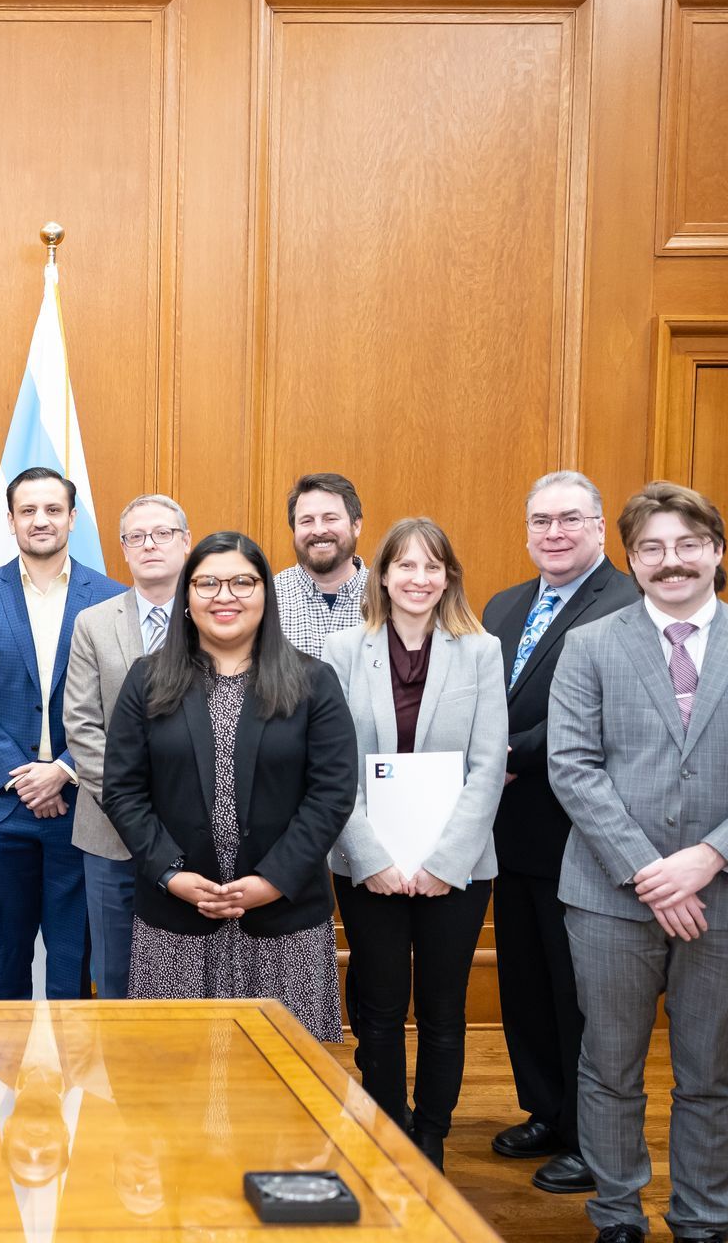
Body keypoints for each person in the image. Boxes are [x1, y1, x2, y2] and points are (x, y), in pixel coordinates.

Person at [550, 482, 728, 1243]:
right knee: (609, 1068)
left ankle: (704, 1220)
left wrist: (706, 860)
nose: (670, 562)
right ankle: (617, 1214)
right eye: (651, 548)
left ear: (716, 550)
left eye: (687, 544)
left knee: (711, 1076)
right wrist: (650, 871)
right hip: (610, 898)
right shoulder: (591, 645)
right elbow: (573, 768)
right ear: (631, 560)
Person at [101, 532, 357, 1038]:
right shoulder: (147, 679)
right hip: (175, 919)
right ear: (187, 597)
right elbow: (123, 791)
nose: (225, 596)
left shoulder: (313, 681)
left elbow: (331, 793)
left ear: (266, 592)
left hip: (283, 920)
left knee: (281, 1090)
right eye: (208, 583)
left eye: (242, 581)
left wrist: (271, 881)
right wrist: (171, 875)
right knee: (177, 1080)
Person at [322, 517, 506, 1171]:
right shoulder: (344, 650)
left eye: (433, 567)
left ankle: (430, 1133)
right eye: (406, 566)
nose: (419, 579)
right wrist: (372, 857)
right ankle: (384, 1127)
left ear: (449, 577)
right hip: (366, 860)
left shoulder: (482, 651)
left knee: (441, 1007)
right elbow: (333, 765)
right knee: (378, 1004)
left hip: (455, 867)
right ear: (383, 575)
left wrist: (441, 864)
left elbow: (488, 767)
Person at [481, 471, 639, 1193]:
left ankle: (588, 1135)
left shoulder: (628, 604)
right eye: (541, 520)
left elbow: (608, 713)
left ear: (600, 526)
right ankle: (545, 1110)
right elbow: (478, 697)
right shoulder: (505, 604)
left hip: (582, 834)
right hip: (505, 833)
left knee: (583, 996)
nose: (554, 533)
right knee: (526, 984)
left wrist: (510, 754)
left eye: (570, 519)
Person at [0, 466, 125, 1000]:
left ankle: (70, 1082)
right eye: (28, 511)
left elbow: (119, 703)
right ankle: (7, 1081)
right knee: (7, 953)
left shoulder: (112, 598)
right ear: (10, 521)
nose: (40, 520)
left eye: (52, 509)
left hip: (83, 804)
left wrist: (63, 770)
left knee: (75, 958)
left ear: (73, 518)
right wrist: (24, 778)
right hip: (1, 807)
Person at [62, 493, 191, 999]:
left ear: (185, 543)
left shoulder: (215, 614)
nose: (149, 545)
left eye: (162, 534)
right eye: (136, 537)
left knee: (185, 977)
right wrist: (131, 804)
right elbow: (82, 726)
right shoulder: (93, 623)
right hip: (110, 830)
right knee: (114, 976)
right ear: (123, 549)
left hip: (196, 831)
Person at [272, 472, 367, 658]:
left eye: (330, 518)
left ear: (356, 526)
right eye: (307, 521)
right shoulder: (268, 597)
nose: (319, 530)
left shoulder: (387, 598)